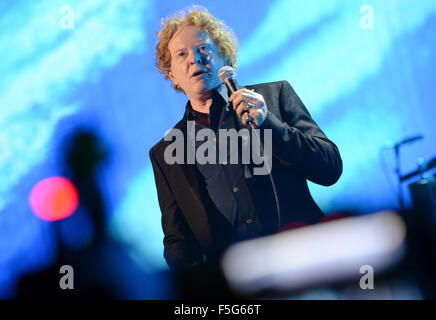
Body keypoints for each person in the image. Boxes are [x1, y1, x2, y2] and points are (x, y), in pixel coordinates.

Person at [150, 6, 342, 271]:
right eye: (181, 54)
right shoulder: (165, 152)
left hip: (306, 258)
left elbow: (329, 169)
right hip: (239, 280)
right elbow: (177, 239)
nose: (194, 59)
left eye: (203, 48)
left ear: (224, 56)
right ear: (172, 74)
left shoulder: (274, 99)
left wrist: (269, 124)